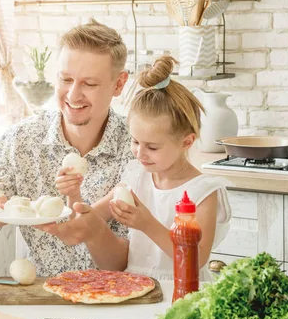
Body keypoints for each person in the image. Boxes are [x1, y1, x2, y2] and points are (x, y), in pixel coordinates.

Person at [0, 19, 134, 276]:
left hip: (120, 302)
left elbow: (131, 263)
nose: (73, 95)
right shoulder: (21, 141)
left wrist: (92, 229)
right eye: (66, 79)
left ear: (119, 84)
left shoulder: (138, 149)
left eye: (89, 84)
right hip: (40, 300)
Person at [38, 55, 232, 281]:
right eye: (135, 141)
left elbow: (195, 260)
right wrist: (73, 194)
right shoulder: (135, 177)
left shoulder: (203, 192)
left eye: (152, 146)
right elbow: (90, 219)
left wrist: (146, 224)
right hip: (135, 287)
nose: (140, 153)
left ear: (186, 142)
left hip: (184, 292)